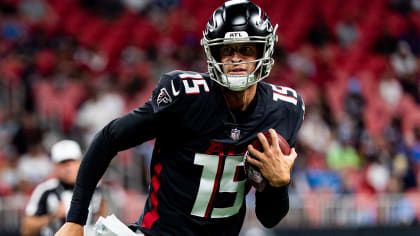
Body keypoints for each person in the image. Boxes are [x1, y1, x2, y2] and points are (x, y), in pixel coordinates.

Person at [56, 0, 305, 235]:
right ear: (212, 54)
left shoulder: (284, 109)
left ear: (265, 49)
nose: (236, 58)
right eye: (226, 50)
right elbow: (109, 138)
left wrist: (278, 185)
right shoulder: (186, 95)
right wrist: (75, 220)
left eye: (247, 49)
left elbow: (269, 217)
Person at [21, 140, 107, 236]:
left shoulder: (95, 187)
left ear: (80, 162)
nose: (68, 167)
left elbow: (102, 217)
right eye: (63, 163)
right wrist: (53, 216)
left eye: (72, 161)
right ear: (55, 166)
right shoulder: (45, 190)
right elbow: (26, 228)